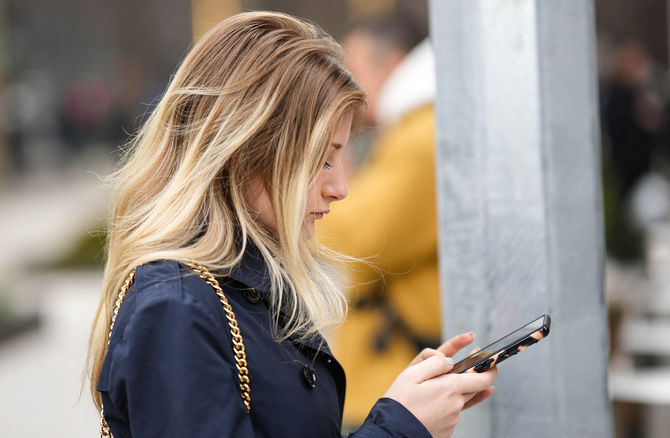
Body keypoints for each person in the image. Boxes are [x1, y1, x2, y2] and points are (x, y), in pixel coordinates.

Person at [85, 11, 496, 437]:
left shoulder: (238, 287)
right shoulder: (177, 309)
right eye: (322, 158)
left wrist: (401, 406)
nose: (340, 187)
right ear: (248, 148)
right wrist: (399, 426)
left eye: (342, 157)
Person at [316, 17, 440, 425]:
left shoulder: (421, 138)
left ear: (395, 63)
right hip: (397, 367)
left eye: (355, 69)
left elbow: (358, 240)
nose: (346, 85)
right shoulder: (417, 130)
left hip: (393, 374)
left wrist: (324, 182)